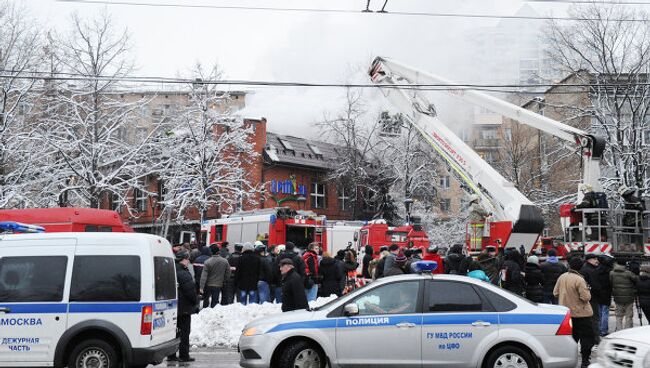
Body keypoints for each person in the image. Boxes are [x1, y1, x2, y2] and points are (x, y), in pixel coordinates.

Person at [554, 257, 595, 368]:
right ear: (580, 267)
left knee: (571, 338)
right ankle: (585, 361)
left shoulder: (562, 277)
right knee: (586, 338)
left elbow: (555, 293)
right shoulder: (579, 279)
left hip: (566, 314)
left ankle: (568, 360)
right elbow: (586, 297)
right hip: (582, 314)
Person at [167, 250, 198, 363]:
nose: (188, 261)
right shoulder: (183, 273)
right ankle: (184, 355)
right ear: (183, 260)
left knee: (174, 332)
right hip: (184, 308)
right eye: (187, 259)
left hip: (173, 307)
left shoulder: (171, 269)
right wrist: (195, 302)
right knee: (184, 332)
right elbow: (190, 291)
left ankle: (171, 355)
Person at [199, 243, 230, 308]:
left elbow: (203, 276)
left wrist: (201, 287)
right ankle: (214, 311)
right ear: (218, 252)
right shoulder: (225, 261)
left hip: (208, 284)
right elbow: (227, 273)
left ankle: (205, 311)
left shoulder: (207, 262)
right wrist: (224, 281)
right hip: (218, 285)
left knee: (206, 300)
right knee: (215, 300)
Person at [610, 260, 638, 331]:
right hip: (629, 297)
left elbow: (611, 283)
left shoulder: (612, 273)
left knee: (619, 315)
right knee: (628, 315)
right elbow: (636, 279)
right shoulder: (628, 273)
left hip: (617, 297)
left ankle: (619, 330)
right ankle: (627, 331)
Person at [580, 253, 602, 341]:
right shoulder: (591, 270)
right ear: (589, 260)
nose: (596, 261)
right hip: (592, 297)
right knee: (594, 318)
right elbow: (596, 286)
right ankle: (596, 338)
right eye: (594, 259)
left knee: (587, 318)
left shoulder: (584, 268)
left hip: (584, 297)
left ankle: (588, 337)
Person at [596, 254, 614, 336]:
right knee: (605, 312)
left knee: (599, 312)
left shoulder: (596, 269)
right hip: (606, 293)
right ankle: (604, 330)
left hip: (598, 293)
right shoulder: (610, 271)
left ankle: (600, 329)